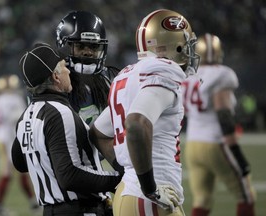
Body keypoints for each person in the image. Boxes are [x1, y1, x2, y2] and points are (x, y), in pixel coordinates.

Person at [89, 9, 200, 216]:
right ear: (171, 45)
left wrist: (129, 170)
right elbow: (137, 123)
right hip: (148, 197)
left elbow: (98, 132)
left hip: (132, 191)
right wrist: (150, 187)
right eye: (185, 44)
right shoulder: (162, 74)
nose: (189, 51)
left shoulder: (131, 75)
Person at [11, 43, 122, 216]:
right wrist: (117, 180)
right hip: (80, 210)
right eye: (64, 67)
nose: (69, 71)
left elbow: (20, 163)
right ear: (55, 76)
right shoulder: (59, 113)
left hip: (53, 210)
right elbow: (69, 176)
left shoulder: (26, 116)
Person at [182, 33, 256, 216]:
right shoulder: (222, 74)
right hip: (215, 142)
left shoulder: (189, 76)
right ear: (218, 52)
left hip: (192, 144)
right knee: (246, 196)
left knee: (202, 198)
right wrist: (236, 151)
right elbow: (223, 112)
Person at [56, 10, 120, 126]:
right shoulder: (55, 83)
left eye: (94, 46)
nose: (88, 52)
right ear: (64, 47)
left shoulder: (113, 78)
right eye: (80, 46)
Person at [0, 74, 40, 216]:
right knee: (9, 171)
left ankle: (32, 203)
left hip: (4, 137)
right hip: (9, 138)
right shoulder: (13, 99)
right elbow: (20, 117)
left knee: (21, 171)